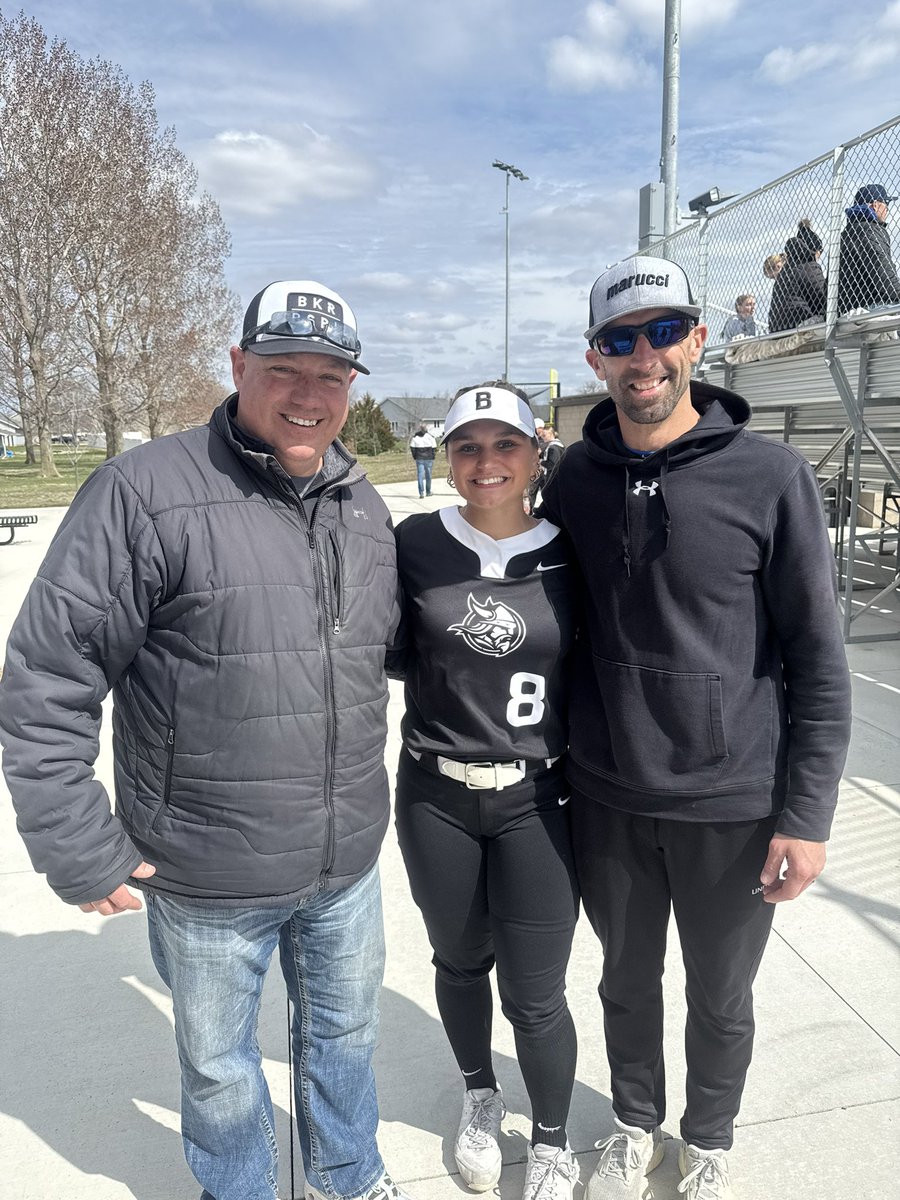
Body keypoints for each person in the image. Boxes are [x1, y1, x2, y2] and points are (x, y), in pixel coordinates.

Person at [0, 279, 409, 1200]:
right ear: (237, 367)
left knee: (344, 1040)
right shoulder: (144, 494)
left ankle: (350, 1177)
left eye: (331, 376)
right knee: (221, 1068)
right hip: (205, 870)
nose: (309, 395)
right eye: (284, 371)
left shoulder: (360, 506)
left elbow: (391, 651)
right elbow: (47, 680)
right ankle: (241, 1189)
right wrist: (77, 844)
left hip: (344, 865)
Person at [540, 256, 852, 1200]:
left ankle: (706, 1139)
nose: (646, 355)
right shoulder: (573, 483)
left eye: (664, 331)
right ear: (595, 358)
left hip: (734, 800)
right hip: (607, 794)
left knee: (721, 997)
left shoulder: (771, 477)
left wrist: (808, 814)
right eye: (622, 339)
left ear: (699, 341)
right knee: (625, 987)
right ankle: (636, 1123)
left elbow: (818, 660)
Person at [388, 383, 581, 1200]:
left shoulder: (574, 548)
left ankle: (551, 1140)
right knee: (460, 961)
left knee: (535, 993)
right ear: (448, 458)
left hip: (537, 796)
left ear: (536, 452)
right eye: (468, 446)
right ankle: (478, 1094)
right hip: (437, 791)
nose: (486, 462)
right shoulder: (415, 543)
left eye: (505, 444)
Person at [838, 183, 900, 314]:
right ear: (876, 205)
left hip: (846, 306)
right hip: (870, 305)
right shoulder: (870, 230)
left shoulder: (847, 232)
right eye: (886, 204)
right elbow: (884, 274)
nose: (887, 210)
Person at [768, 218, 827, 332]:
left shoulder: (787, 269)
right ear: (813, 250)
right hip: (797, 324)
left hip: (777, 328)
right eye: (820, 252)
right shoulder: (809, 266)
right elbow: (821, 297)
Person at [409, 422, 437, 497]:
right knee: (428, 476)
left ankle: (421, 493)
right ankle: (428, 491)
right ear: (426, 429)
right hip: (428, 457)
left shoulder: (415, 437)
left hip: (419, 458)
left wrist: (415, 456)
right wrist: (433, 456)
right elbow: (434, 447)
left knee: (420, 475)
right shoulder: (430, 437)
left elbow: (412, 448)